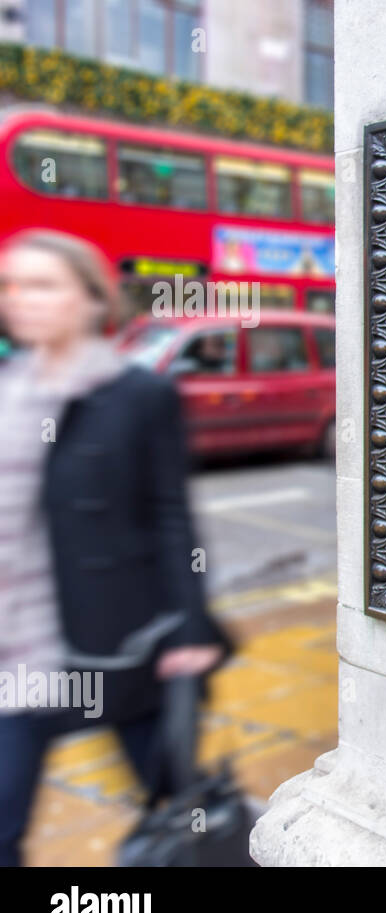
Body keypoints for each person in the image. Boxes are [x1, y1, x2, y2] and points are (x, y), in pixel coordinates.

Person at [0, 230, 231, 867]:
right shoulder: (7, 388)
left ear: (92, 299)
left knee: (180, 814)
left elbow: (170, 518)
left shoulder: (137, 395)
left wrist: (189, 624)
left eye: (43, 284)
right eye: (11, 285)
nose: (21, 299)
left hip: (121, 646)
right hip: (16, 656)